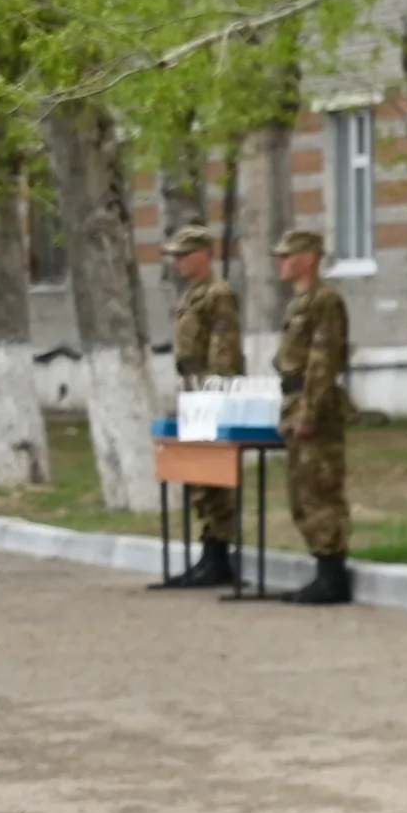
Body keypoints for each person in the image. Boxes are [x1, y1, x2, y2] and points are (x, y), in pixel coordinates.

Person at [274, 227, 355, 605]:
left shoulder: (324, 301)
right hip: (295, 400)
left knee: (320, 489)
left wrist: (308, 411)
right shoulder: (299, 303)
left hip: (315, 407)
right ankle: (322, 568)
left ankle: (332, 574)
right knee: (302, 491)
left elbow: (322, 362)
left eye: (289, 255)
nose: (282, 262)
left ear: (309, 257)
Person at [165, 222, 241, 585]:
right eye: (176, 256)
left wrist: (214, 395)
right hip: (193, 389)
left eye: (184, 255)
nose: (178, 262)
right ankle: (208, 553)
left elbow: (223, 350)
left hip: (210, 392)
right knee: (198, 477)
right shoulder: (192, 295)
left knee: (216, 480)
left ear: (204, 254)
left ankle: (220, 554)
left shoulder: (217, 294)